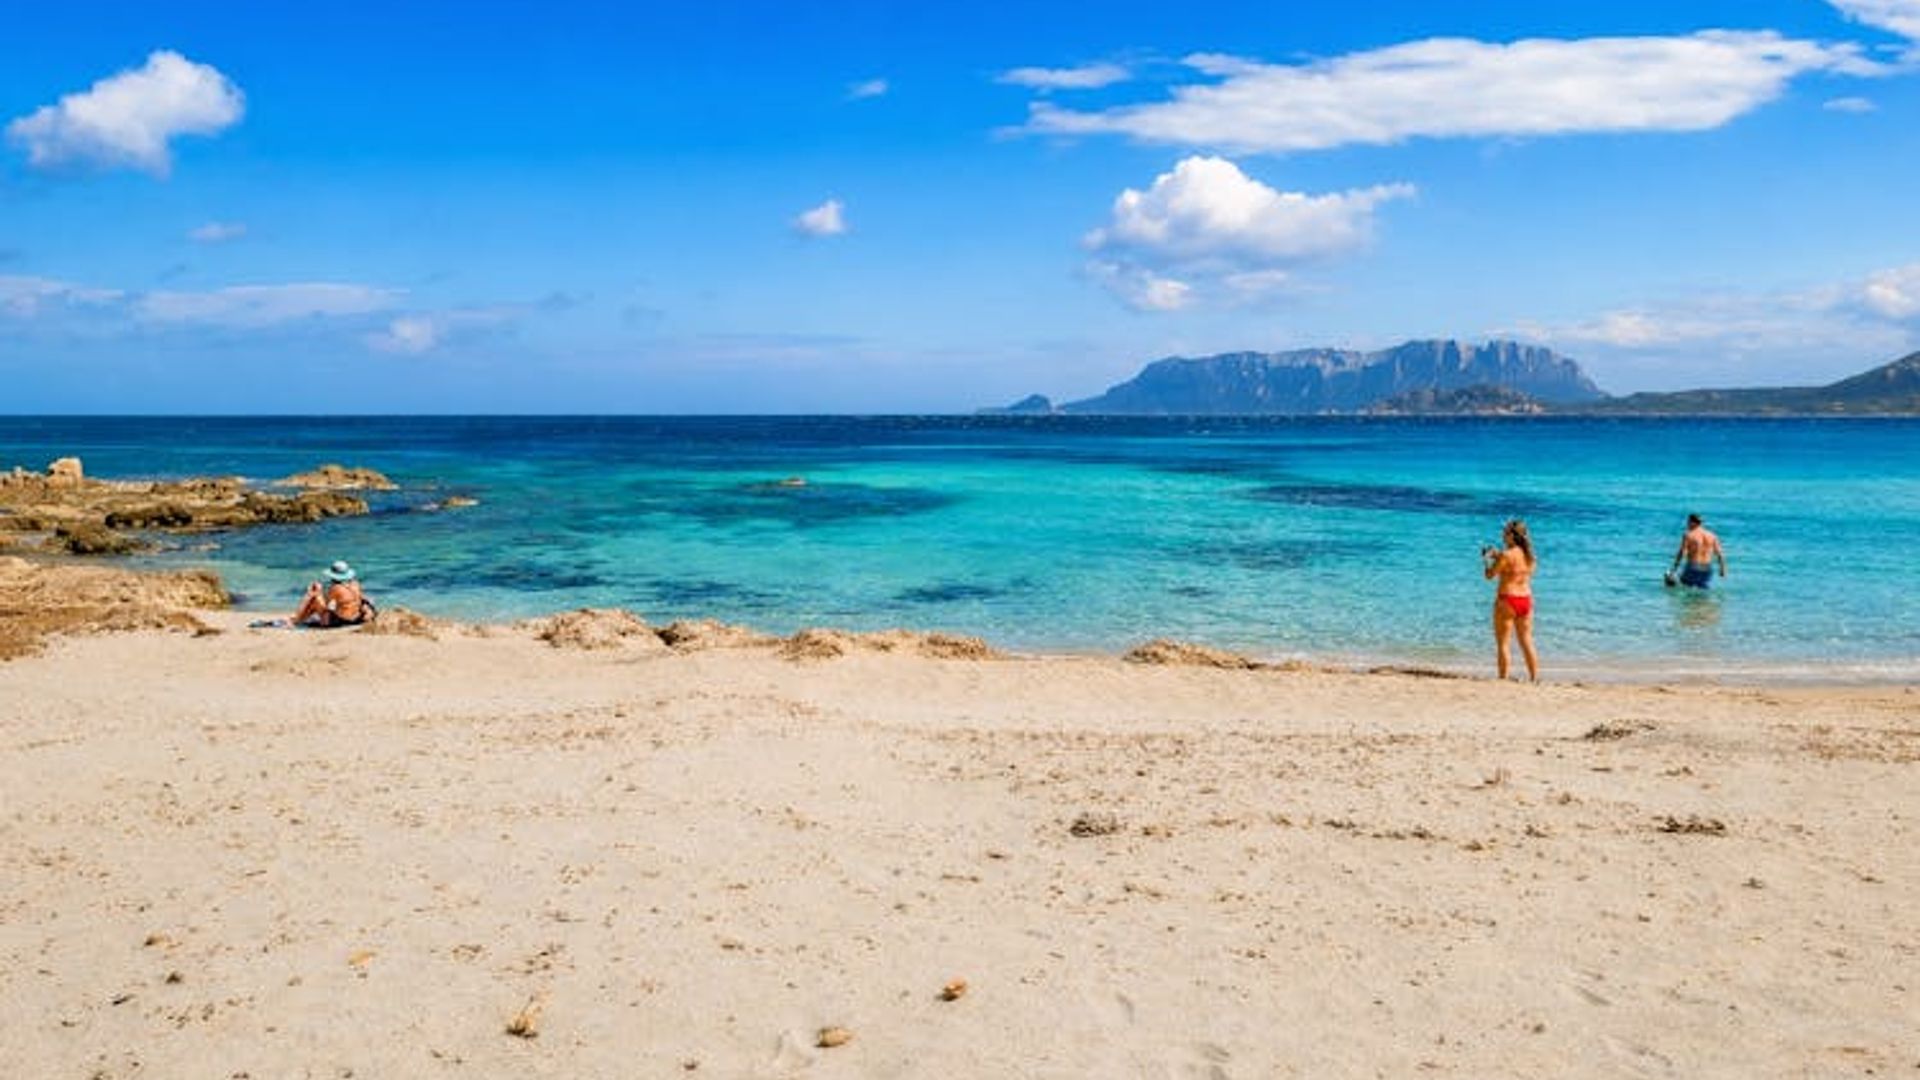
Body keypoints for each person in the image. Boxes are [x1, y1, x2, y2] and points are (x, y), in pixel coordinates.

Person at [1482, 519, 1539, 682]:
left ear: (1512, 537)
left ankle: (1503, 678)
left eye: (1505, 533)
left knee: (1503, 643)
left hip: (1507, 600)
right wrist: (1498, 555)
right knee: (1527, 641)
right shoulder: (1530, 556)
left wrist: (1487, 559)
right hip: (1525, 600)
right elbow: (1519, 569)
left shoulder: (1506, 555)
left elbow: (1489, 575)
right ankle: (1534, 678)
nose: (1502, 536)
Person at [292, 559, 373, 627]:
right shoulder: (356, 584)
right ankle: (299, 619)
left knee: (315, 598)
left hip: (341, 621)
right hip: (356, 618)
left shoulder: (335, 588)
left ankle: (297, 620)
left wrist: (315, 592)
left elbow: (325, 605)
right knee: (315, 598)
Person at [1668, 513, 1727, 589]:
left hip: (1692, 567)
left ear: (1693, 522)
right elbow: (1720, 554)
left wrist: (1675, 568)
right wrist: (1723, 569)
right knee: (1703, 590)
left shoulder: (1688, 535)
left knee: (1680, 586)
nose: (1687, 525)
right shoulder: (1712, 535)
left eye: (1688, 522)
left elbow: (1682, 553)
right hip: (1707, 568)